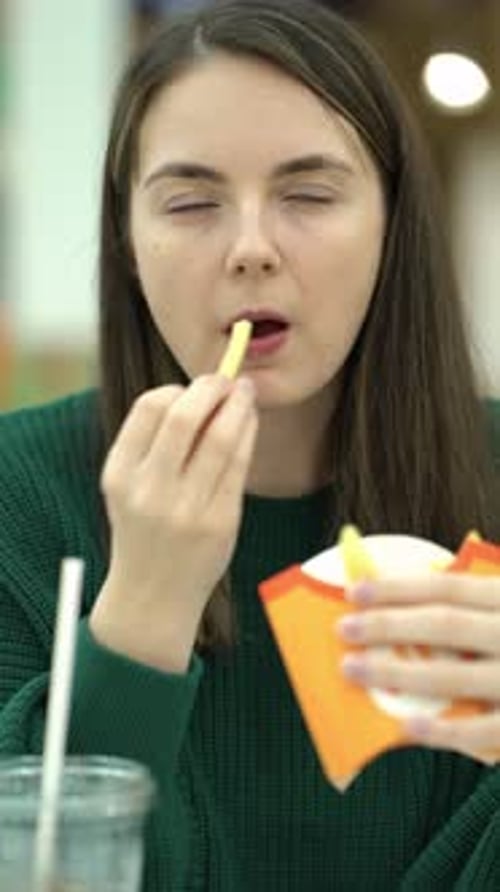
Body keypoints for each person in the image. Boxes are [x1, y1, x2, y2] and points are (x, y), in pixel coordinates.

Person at [0, 0, 499, 888]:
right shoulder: (17, 493)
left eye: (309, 195)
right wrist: (144, 613)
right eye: (190, 202)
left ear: (393, 223)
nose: (251, 249)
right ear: (127, 239)